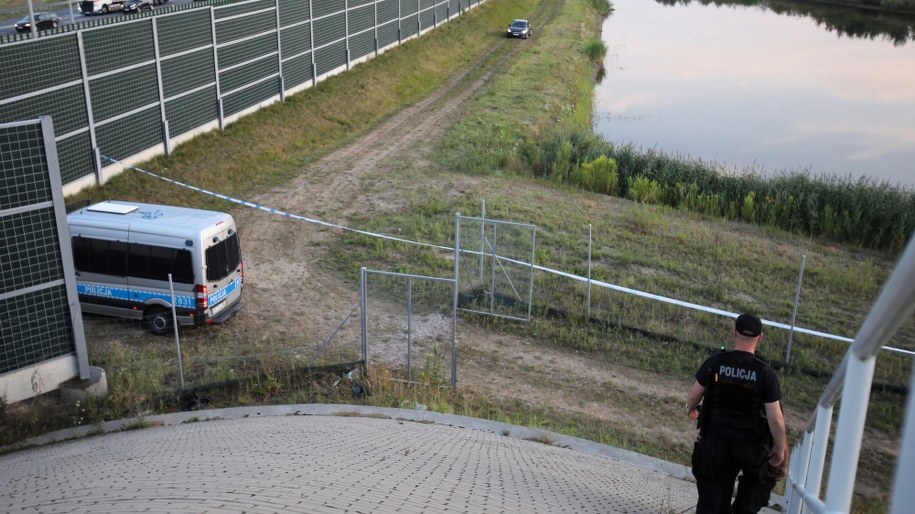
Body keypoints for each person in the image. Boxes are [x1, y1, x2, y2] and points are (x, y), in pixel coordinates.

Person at [686, 313, 788, 514]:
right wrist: (779, 449)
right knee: (753, 493)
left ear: (734, 333)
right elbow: (776, 418)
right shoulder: (765, 373)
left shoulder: (716, 362)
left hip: (716, 442)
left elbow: (694, 394)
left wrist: (689, 409)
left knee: (711, 501)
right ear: (760, 337)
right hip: (751, 447)